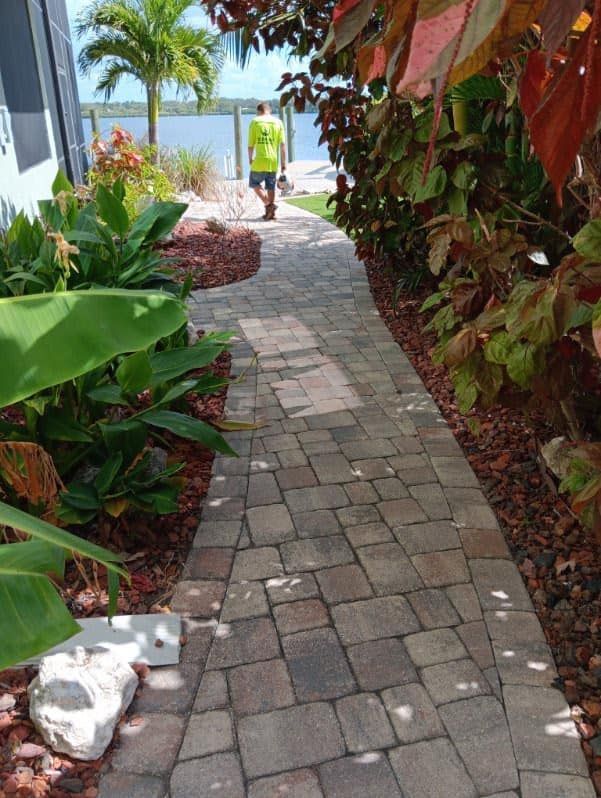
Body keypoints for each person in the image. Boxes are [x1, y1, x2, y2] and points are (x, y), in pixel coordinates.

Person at [248, 102, 286, 221]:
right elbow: (283, 146)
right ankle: (270, 213)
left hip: (259, 160)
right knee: (270, 187)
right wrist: (284, 164)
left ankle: (269, 205)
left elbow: (250, 145)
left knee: (254, 183)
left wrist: (250, 158)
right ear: (269, 110)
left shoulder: (255, 122)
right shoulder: (278, 122)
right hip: (273, 161)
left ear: (259, 111)